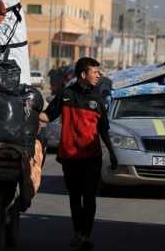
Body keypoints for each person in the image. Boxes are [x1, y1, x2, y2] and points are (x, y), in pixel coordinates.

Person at [39, 57, 117, 250]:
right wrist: (29, 111)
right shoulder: (65, 95)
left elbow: (104, 130)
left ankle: (86, 235)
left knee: (89, 198)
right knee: (75, 197)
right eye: (95, 72)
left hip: (92, 157)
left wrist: (113, 154)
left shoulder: (98, 99)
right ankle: (77, 234)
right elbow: (48, 116)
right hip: (70, 157)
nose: (99, 75)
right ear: (83, 74)